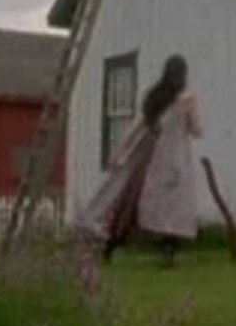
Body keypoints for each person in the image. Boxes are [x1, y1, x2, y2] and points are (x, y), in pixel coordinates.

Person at [76, 55, 202, 267]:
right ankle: (167, 252)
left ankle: (112, 243)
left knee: (131, 199)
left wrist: (119, 150)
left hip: (149, 154)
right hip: (175, 156)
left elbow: (137, 126)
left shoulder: (155, 97)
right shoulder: (188, 99)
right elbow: (197, 130)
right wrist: (187, 124)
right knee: (173, 206)